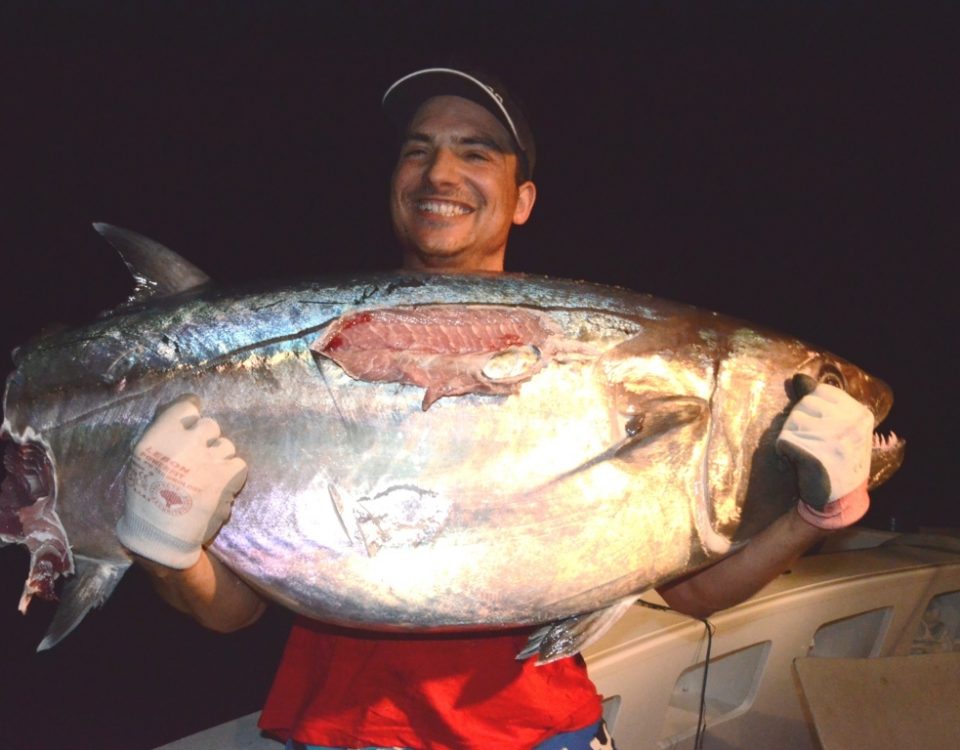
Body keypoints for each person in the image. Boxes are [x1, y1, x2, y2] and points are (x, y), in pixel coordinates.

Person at [117, 67, 875, 750]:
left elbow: (689, 591)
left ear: (524, 199)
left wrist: (811, 518)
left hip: (539, 734)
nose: (439, 171)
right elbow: (229, 613)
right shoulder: (298, 357)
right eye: (417, 150)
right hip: (339, 730)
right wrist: (169, 549)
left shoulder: (608, 355)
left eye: (476, 151)